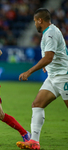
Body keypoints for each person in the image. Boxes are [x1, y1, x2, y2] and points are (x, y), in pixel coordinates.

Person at [16, 8, 68, 150]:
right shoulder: (50, 31)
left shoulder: (50, 33)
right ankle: (34, 141)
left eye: (35, 21)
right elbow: (55, 55)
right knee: (37, 104)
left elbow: (48, 57)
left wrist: (29, 71)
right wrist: (48, 66)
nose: (35, 25)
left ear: (40, 20)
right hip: (53, 76)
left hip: (64, 76)